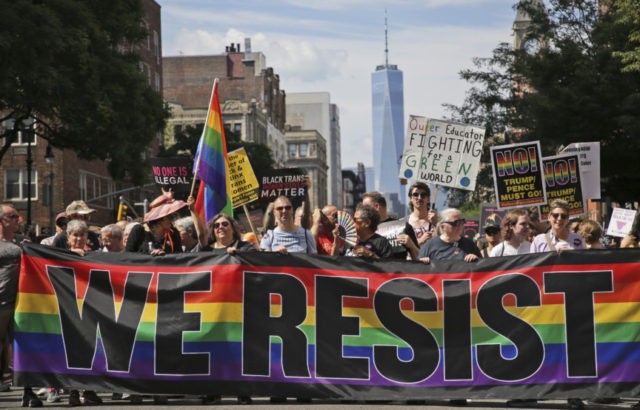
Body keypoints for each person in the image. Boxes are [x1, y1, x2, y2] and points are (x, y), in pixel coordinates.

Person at [362, 191, 419, 260]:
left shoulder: (402, 227)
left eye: (366, 208)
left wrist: (411, 245)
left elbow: (419, 259)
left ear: (377, 206)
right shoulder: (364, 230)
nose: (363, 212)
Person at [405, 182, 438, 246]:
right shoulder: (404, 223)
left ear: (428, 199)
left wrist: (436, 224)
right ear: (410, 198)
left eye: (423, 195)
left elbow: (448, 241)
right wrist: (420, 241)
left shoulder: (437, 220)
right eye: (415, 194)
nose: (419, 198)